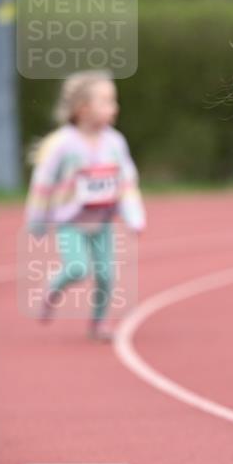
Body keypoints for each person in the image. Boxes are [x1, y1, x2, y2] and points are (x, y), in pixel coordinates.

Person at [25, 70, 145, 340]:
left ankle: (99, 323)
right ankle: (52, 289)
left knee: (106, 275)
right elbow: (42, 184)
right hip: (70, 223)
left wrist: (134, 216)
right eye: (107, 101)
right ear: (83, 109)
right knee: (78, 268)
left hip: (101, 222)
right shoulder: (61, 145)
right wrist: (37, 220)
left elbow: (127, 182)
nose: (115, 107)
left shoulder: (115, 142)